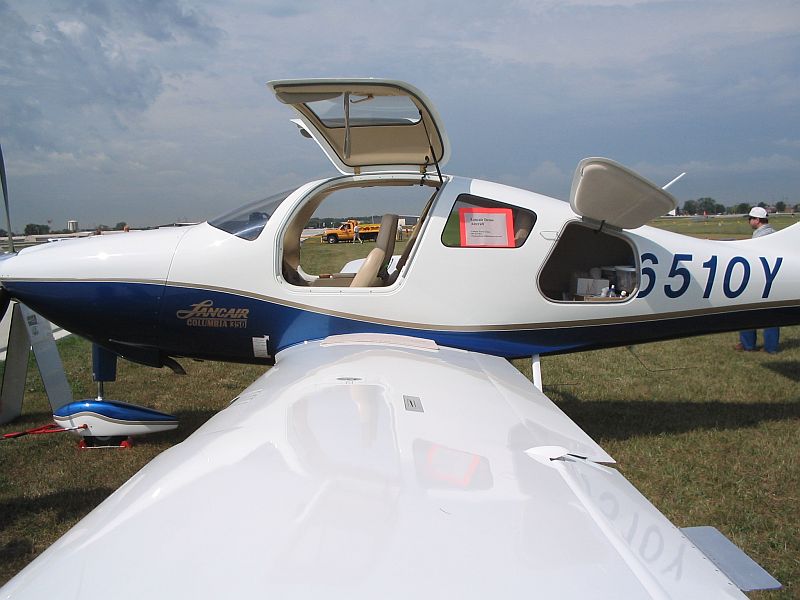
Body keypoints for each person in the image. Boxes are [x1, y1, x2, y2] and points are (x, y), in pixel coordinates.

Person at [735, 206, 779, 353]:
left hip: (759, 278)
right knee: (772, 313)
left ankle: (748, 344)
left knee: (747, 310)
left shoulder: (760, 237)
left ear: (757, 220)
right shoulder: (775, 234)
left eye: (750, 219)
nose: (749, 221)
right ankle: (771, 347)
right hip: (774, 278)